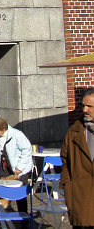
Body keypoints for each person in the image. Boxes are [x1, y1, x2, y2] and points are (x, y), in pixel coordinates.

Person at [61, 88, 94, 228]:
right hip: (81, 197)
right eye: (83, 105)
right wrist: (68, 187)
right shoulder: (75, 131)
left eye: (89, 106)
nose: (85, 110)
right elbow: (65, 160)